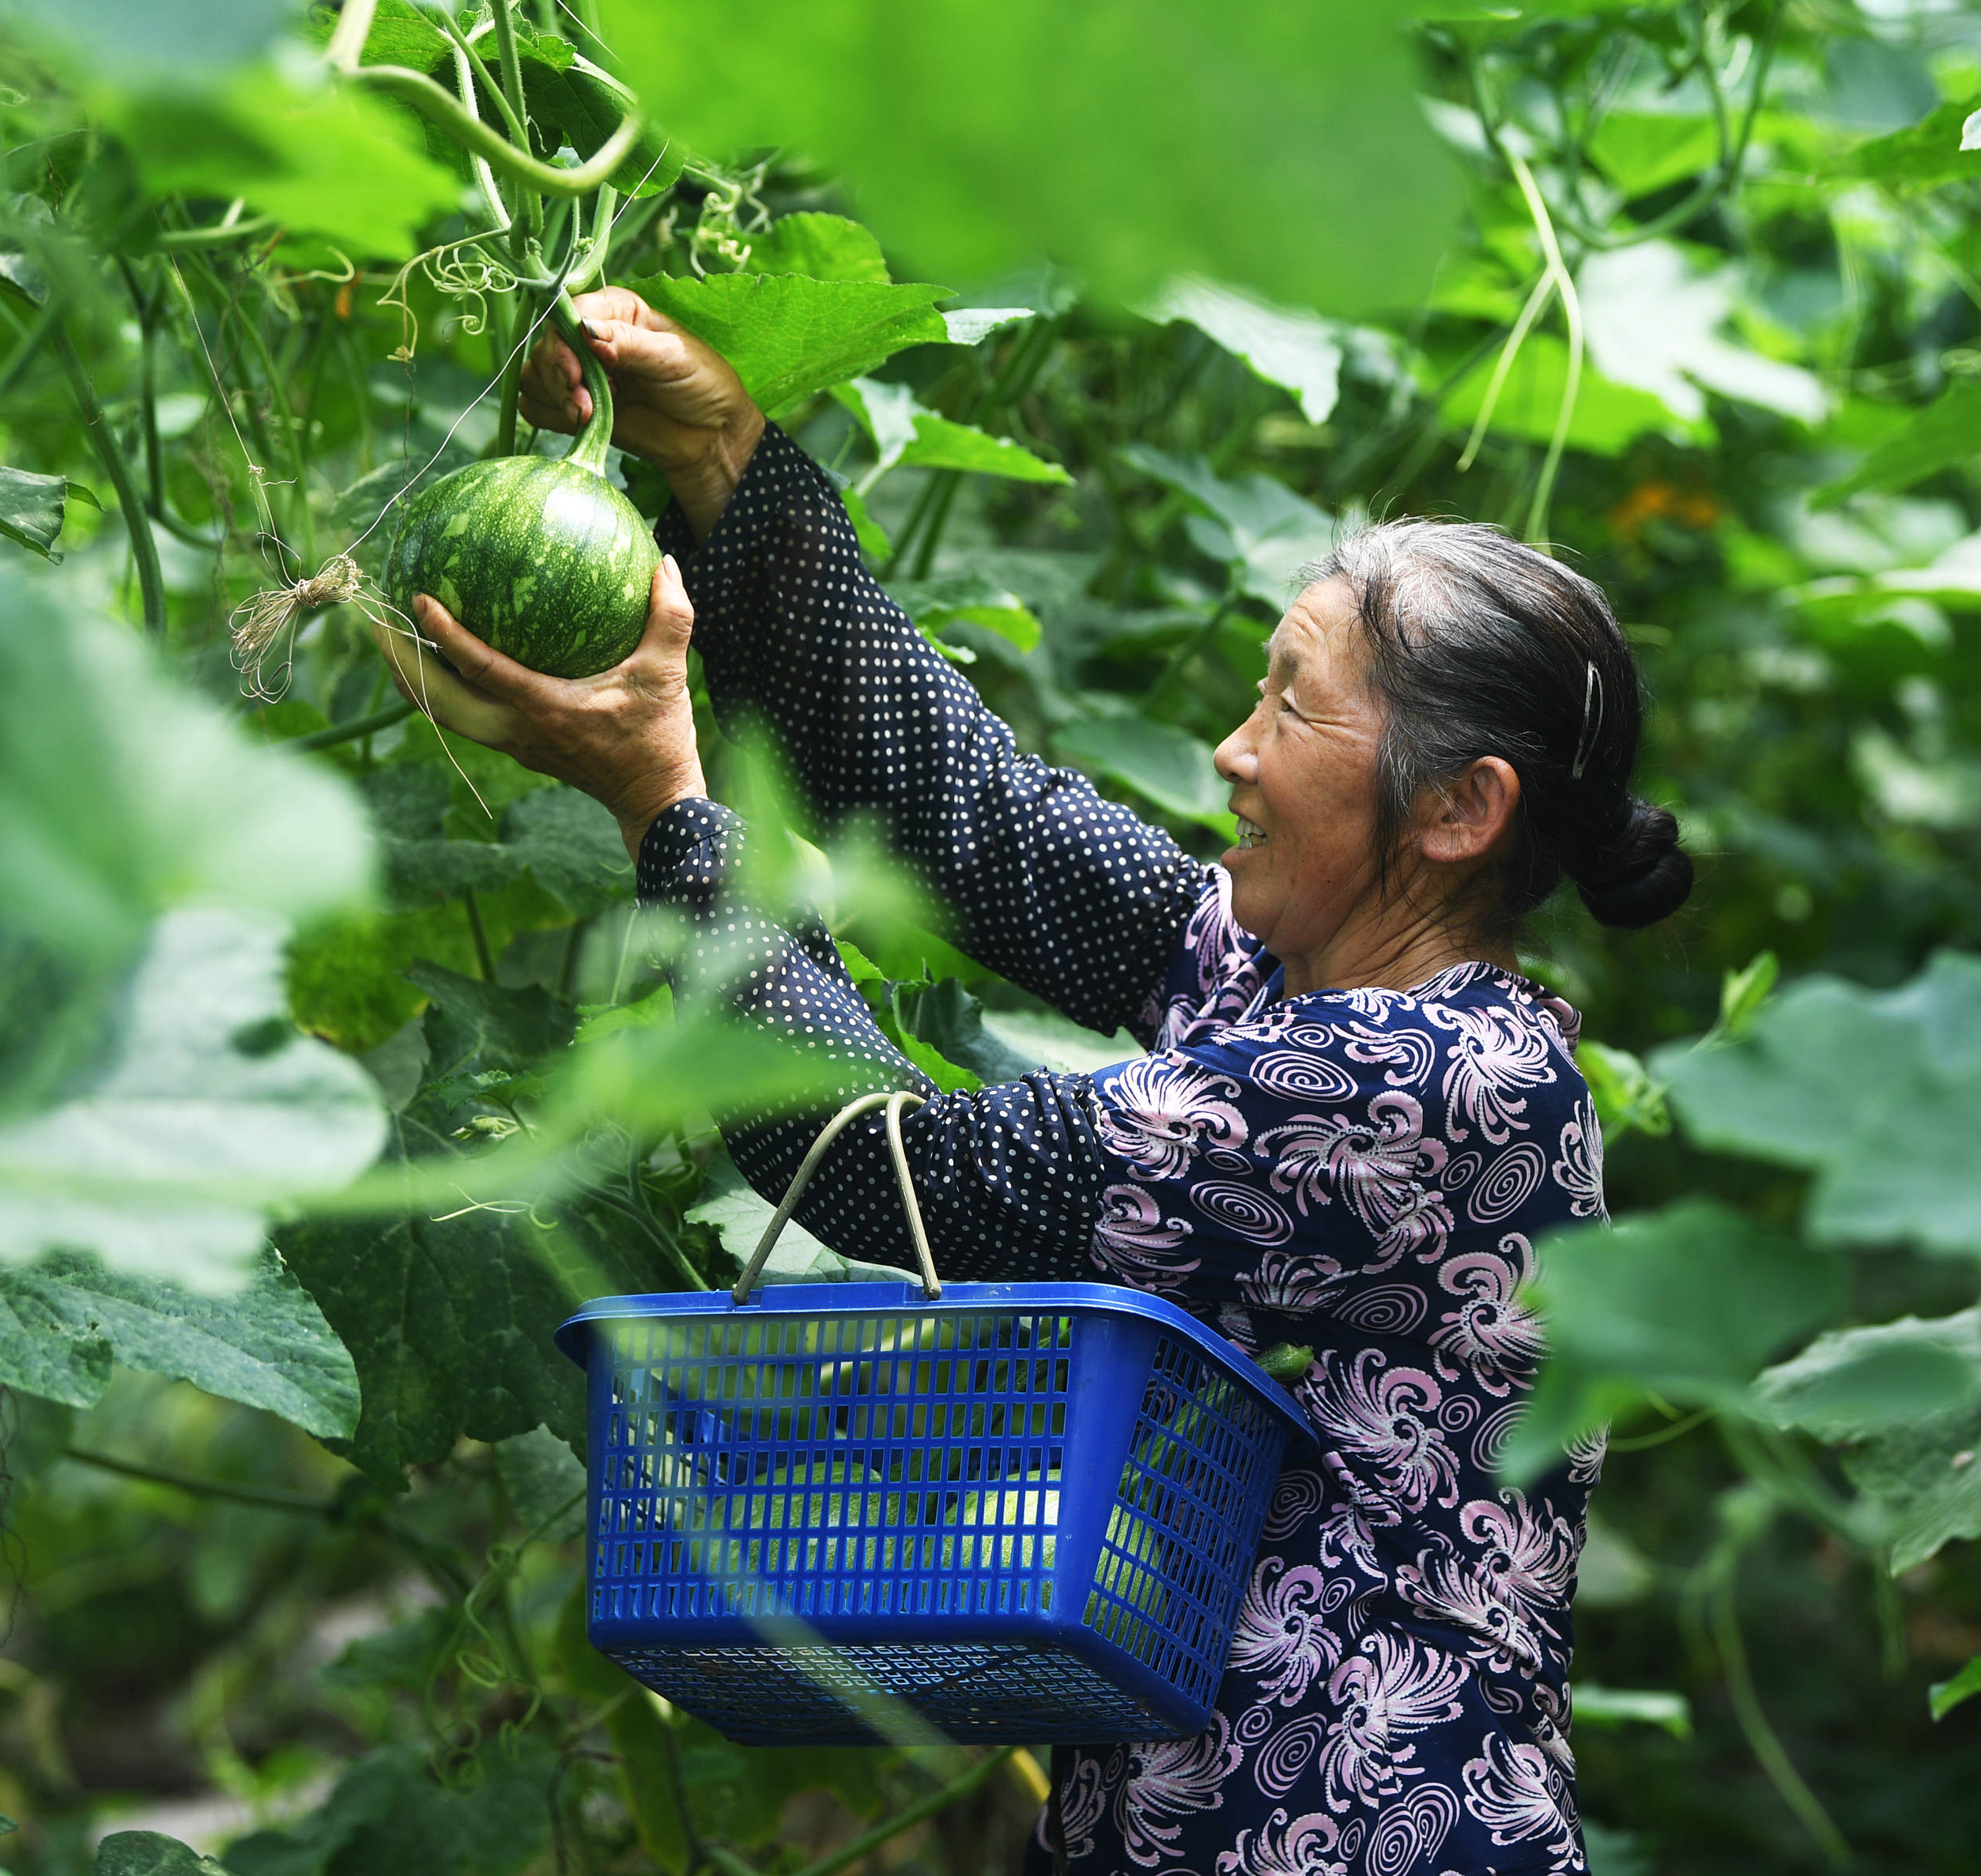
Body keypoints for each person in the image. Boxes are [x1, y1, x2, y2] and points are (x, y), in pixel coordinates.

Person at [387, 288, 1696, 1876]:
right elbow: (967, 813)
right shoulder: (1295, 979)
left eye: (1287, 702)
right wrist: (721, 450)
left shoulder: (1417, 1087)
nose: (1230, 748)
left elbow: (877, 1164)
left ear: (1456, 808)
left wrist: (669, 805)